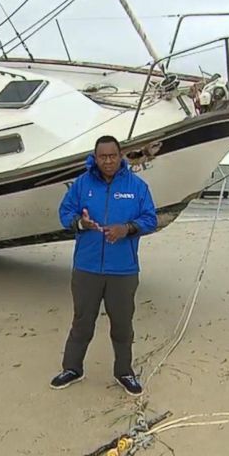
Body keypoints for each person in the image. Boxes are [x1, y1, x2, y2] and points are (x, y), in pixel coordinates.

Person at [50, 135, 157, 396]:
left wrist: (127, 228)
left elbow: (150, 219)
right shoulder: (82, 184)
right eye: (102, 156)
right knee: (82, 322)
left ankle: (124, 371)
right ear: (95, 158)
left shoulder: (137, 186)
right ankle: (72, 368)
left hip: (123, 270)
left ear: (120, 156)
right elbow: (65, 214)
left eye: (112, 155)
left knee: (122, 324)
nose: (108, 161)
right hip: (87, 268)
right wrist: (80, 223)